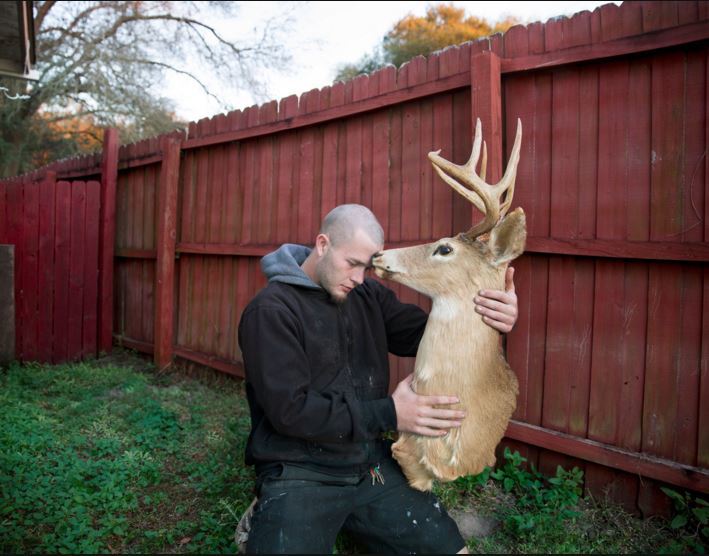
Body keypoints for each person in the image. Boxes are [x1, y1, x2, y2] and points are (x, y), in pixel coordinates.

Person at [237, 204, 519, 554]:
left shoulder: (367, 295)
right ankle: (270, 508)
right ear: (322, 244)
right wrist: (390, 413)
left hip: (368, 462)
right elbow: (290, 411)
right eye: (352, 263)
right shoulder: (271, 312)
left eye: (366, 267)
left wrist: (490, 314)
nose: (359, 277)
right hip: (300, 467)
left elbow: (432, 334)